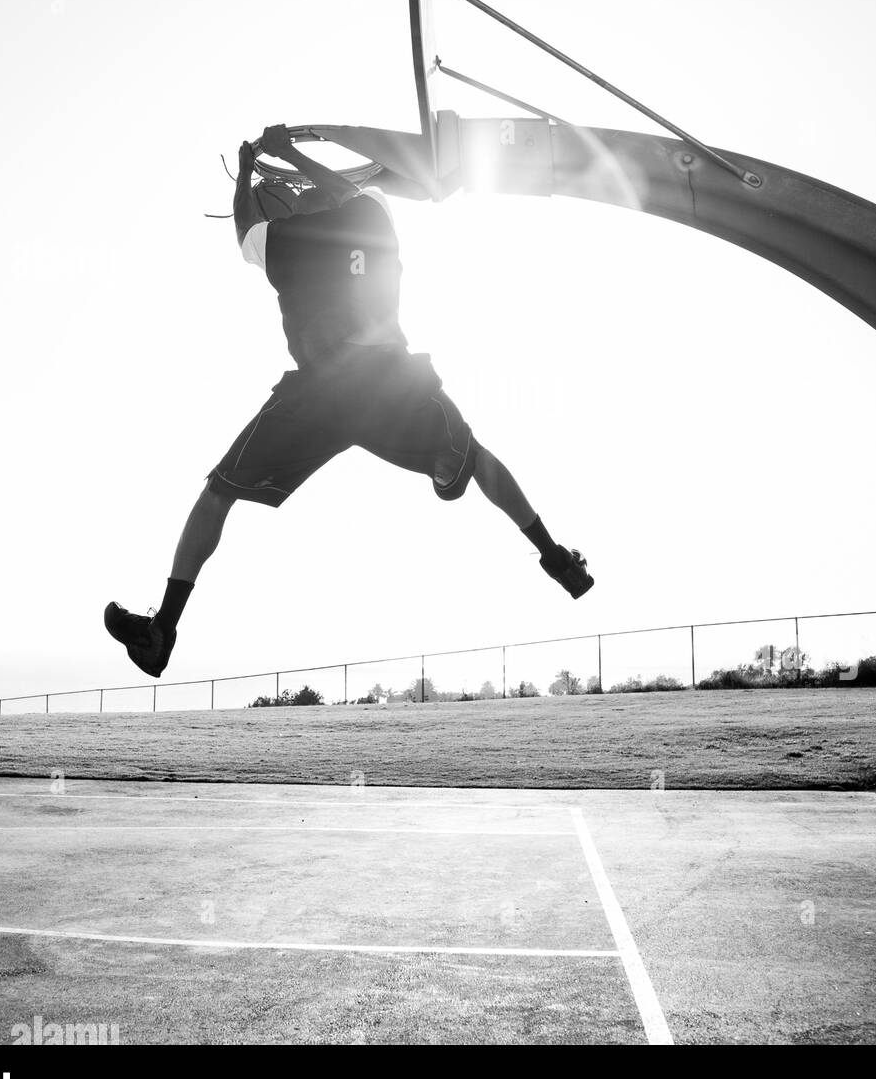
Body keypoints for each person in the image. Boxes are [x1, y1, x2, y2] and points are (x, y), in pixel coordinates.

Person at [105, 126, 592, 678]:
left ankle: (164, 629)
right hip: (387, 383)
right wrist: (289, 154)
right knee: (474, 457)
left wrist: (246, 173)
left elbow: (244, 228)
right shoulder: (372, 215)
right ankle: (551, 553)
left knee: (220, 492)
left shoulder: (284, 241)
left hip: (322, 392)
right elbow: (341, 194)